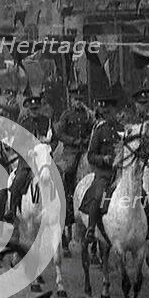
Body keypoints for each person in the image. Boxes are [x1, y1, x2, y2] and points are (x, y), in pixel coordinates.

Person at [4, 95, 55, 222]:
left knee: (59, 177)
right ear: (29, 109)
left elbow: (55, 139)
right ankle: (12, 210)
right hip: (28, 162)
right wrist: (28, 152)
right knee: (18, 180)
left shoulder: (46, 121)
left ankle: (63, 209)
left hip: (44, 160)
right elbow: (17, 144)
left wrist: (48, 147)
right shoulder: (24, 123)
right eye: (32, 109)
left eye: (37, 109)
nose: (35, 112)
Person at [80, 96, 122, 241]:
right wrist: (103, 159)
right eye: (105, 113)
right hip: (104, 173)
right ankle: (91, 228)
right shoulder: (99, 130)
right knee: (97, 196)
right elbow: (90, 155)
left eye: (110, 112)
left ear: (115, 111)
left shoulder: (122, 129)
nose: (108, 116)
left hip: (122, 172)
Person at [54, 84, 93, 231]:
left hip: (85, 149)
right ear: (71, 99)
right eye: (76, 99)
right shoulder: (66, 115)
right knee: (68, 171)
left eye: (80, 99)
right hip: (70, 151)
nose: (78, 101)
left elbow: (92, 128)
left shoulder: (87, 115)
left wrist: (88, 138)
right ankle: (66, 198)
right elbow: (59, 133)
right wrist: (73, 141)